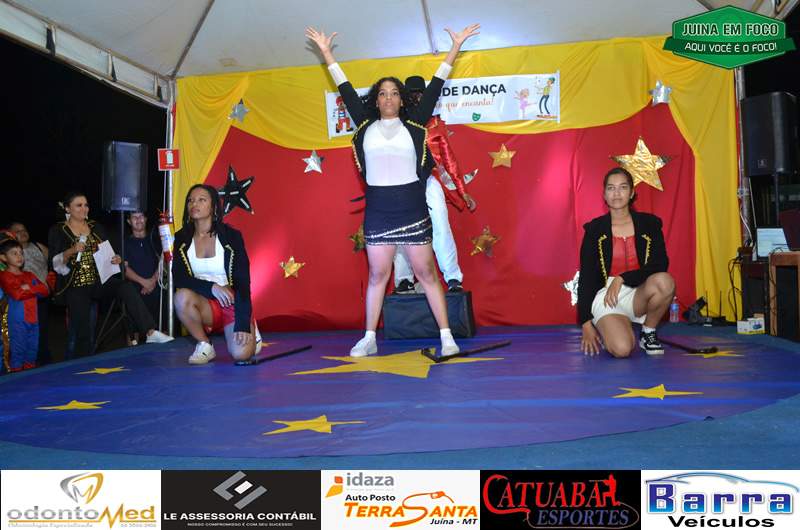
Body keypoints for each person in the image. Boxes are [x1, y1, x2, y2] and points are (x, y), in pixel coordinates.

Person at [306, 23, 480, 357]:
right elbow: (344, 88)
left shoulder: (414, 125)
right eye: (383, 93)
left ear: (402, 100)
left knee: (426, 273)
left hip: (412, 208)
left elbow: (436, 85)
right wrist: (326, 53)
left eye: (394, 93)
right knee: (377, 275)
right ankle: (369, 337)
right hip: (379, 211)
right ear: (376, 99)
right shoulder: (365, 124)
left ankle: (446, 337)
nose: (388, 98)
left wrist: (455, 48)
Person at [48, 192, 173, 357]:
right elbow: (55, 264)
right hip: (75, 286)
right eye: (79, 205)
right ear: (67, 209)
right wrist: (71, 250)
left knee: (125, 287)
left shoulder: (95, 227)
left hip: (98, 281)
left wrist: (116, 259)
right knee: (83, 332)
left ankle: (150, 331)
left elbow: (108, 255)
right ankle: (81, 365)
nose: (84, 208)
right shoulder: (59, 230)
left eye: (86, 205)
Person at [392, 74, 477, 295]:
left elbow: (449, 160)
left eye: (420, 94)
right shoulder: (397, 125)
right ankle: (403, 279)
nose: (417, 98)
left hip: (429, 180)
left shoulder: (435, 125)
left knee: (440, 223)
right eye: (412, 95)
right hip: (403, 183)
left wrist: (463, 191)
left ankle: (453, 278)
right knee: (402, 228)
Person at [577, 167, 675, 357]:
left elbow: (659, 264)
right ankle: (612, 327)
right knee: (622, 350)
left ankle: (648, 332)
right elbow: (586, 277)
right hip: (606, 297)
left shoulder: (650, 224)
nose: (616, 193)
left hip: (639, 293)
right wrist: (585, 323)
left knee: (665, 281)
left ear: (631, 193)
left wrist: (622, 278)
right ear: (604, 195)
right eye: (611, 188)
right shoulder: (594, 229)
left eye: (622, 187)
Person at [173, 184, 261, 365]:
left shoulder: (232, 236)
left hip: (232, 302)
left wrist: (243, 322)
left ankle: (252, 327)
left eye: (201, 200)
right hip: (205, 304)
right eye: (190, 200)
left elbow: (243, 282)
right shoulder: (182, 238)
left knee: (241, 355)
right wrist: (212, 288)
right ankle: (205, 344)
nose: (194, 204)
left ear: (213, 206)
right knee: (181, 297)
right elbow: (179, 278)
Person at [7, 222, 54, 365]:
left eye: (24, 229)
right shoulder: (9, 254)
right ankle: (21, 367)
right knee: (22, 337)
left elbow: (56, 261)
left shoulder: (38, 246)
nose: (22, 232)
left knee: (41, 332)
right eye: (17, 231)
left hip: (42, 296)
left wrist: (51, 280)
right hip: (23, 301)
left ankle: (43, 363)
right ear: (10, 235)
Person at [0, 238, 49, 371]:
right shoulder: (4, 276)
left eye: (21, 253)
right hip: (18, 320)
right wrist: (34, 289)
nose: (19, 256)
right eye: (14, 253)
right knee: (18, 351)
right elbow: (17, 294)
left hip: (33, 319)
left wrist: (28, 288)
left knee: (32, 350)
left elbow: (45, 291)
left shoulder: (29, 274)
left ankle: (30, 378)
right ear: (3, 258)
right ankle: (17, 377)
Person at [124, 211, 163, 338]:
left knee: (161, 328)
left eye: (141, 216)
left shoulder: (156, 239)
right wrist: (144, 282)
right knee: (132, 333)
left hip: (157, 287)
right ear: (129, 221)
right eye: (134, 217)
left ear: (146, 219)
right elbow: (124, 268)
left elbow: (164, 260)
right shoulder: (125, 243)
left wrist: (153, 280)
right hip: (136, 291)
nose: (138, 219)